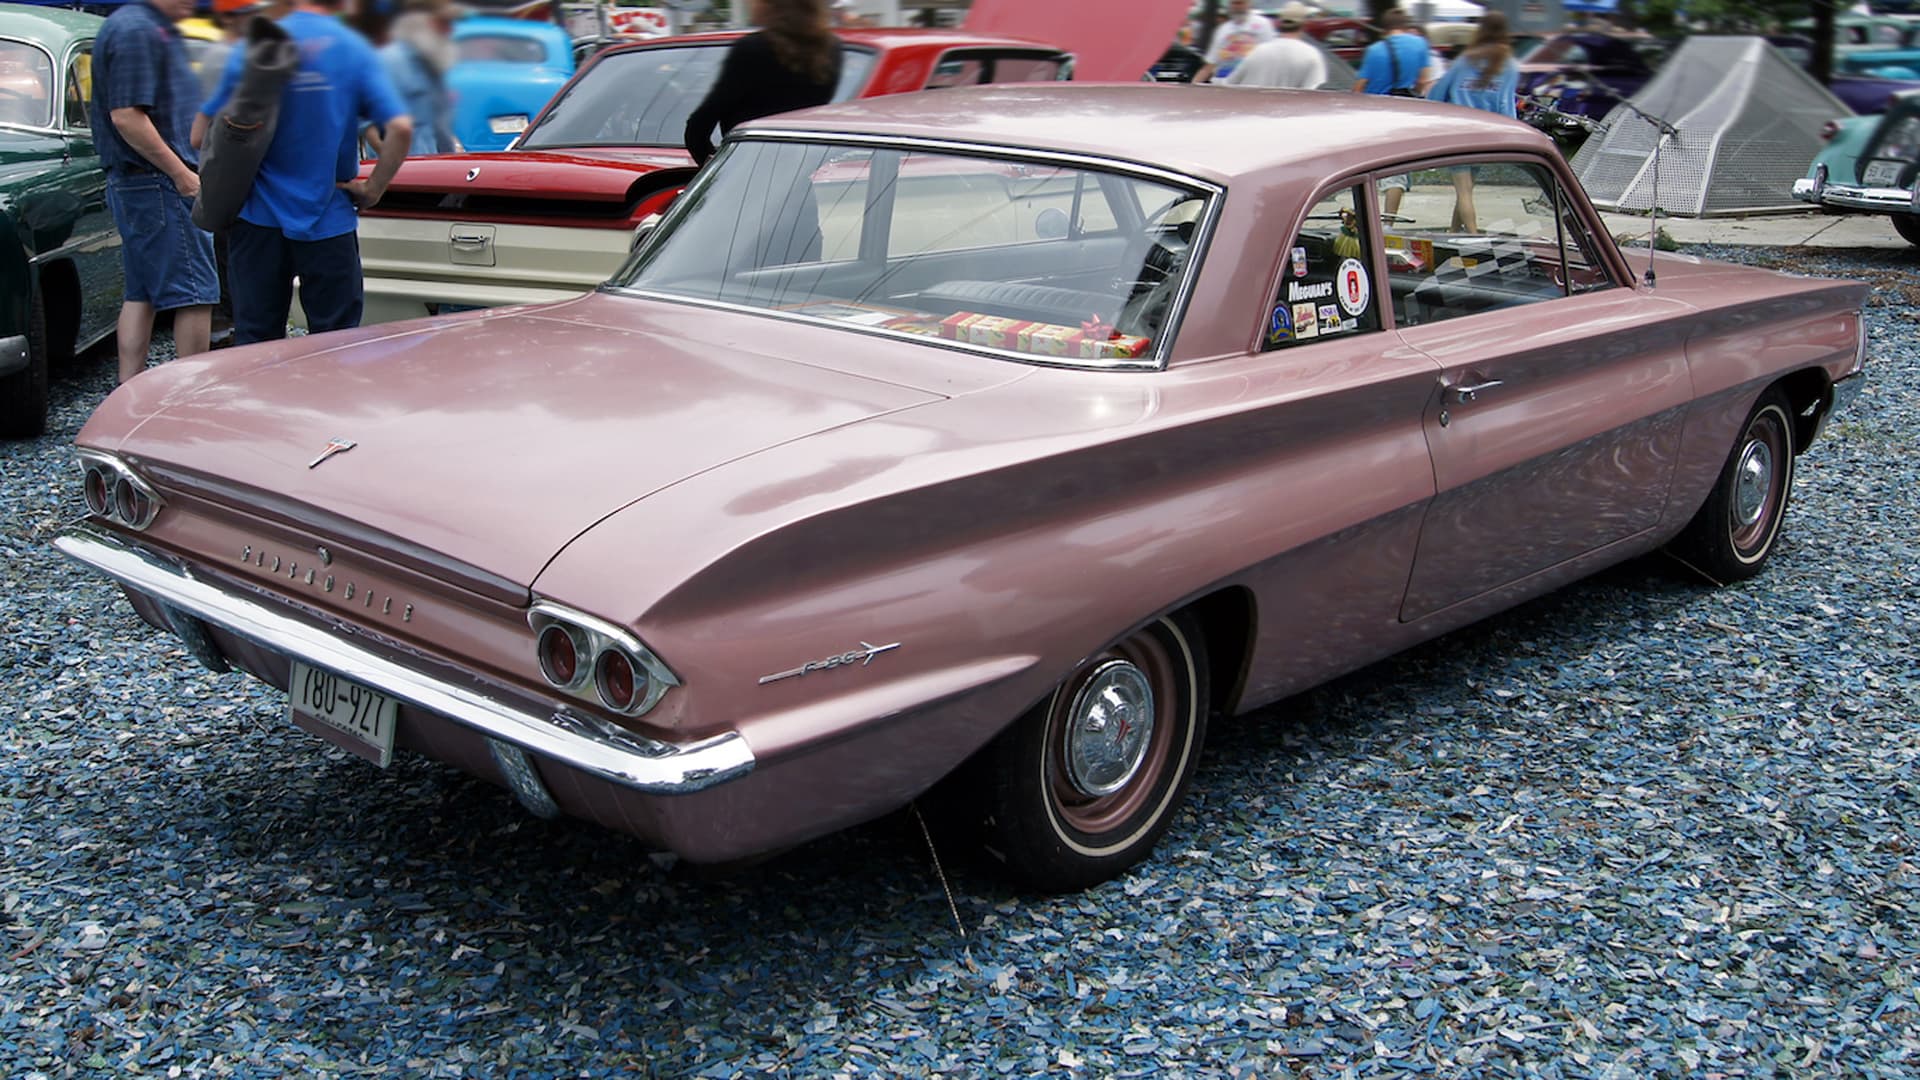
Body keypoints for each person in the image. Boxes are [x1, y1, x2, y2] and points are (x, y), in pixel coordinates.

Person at [193, 0, 412, 344]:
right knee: (335, 343)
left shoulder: (256, 45)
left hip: (258, 219)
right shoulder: (355, 50)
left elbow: (199, 135)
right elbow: (400, 128)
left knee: (255, 340)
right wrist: (374, 188)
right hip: (330, 218)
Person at [93, 0, 219, 383]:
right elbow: (127, 115)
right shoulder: (138, 30)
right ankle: (188, 397)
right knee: (197, 293)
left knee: (141, 293)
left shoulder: (140, 25)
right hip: (158, 181)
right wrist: (181, 173)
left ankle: (128, 391)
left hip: (142, 181)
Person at [683, 0, 840, 167]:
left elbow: (699, 126)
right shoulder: (830, 50)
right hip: (799, 177)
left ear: (770, 5)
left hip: (751, 173)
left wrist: (716, 170)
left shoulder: (752, 49)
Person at [1425, 12, 1519, 232]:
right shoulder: (1510, 65)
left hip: (1458, 132)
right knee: (1467, 188)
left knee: (1463, 191)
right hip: (1487, 135)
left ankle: (1472, 237)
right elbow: (1507, 105)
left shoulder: (1466, 60)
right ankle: (1454, 231)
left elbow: (1436, 94)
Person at [1352, 8, 1434, 216]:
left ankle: (1366, 219)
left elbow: (1360, 86)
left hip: (1373, 114)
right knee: (1396, 170)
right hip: (1403, 113)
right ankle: (1388, 221)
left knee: (1366, 167)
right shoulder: (1420, 45)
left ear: (1384, 29)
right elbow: (1424, 81)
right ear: (1406, 26)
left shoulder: (1375, 50)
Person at [373, 0, 456, 155]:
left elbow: (441, 128)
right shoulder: (389, 62)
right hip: (399, 171)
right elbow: (367, 124)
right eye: (442, 23)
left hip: (429, 168)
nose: (449, 31)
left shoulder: (431, 64)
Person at [1222, 2, 1327, 90]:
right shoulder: (1311, 55)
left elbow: (1230, 84)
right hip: (1289, 113)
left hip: (1252, 112)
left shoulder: (1258, 51)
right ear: (1304, 25)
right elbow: (1313, 93)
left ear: (1279, 24)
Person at [1195, 0, 1275, 84]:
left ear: (1249, 4)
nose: (1237, 7)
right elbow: (1210, 64)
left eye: (1240, 3)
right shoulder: (1223, 29)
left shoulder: (1263, 25)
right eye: (1234, 3)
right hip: (1224, 84)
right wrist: (1194, 85)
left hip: (1251, 83)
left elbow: (1270, 57)